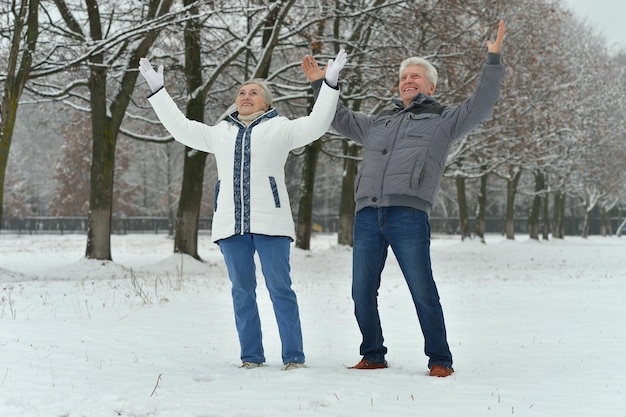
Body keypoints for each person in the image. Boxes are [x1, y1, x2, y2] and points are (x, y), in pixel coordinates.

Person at [301, 20, 506, 377]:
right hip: (368, 213)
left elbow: (481, 104)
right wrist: (323, 83)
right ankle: (373, 353)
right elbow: (338, 117)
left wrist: (493, 60)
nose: (407, 81)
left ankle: (440, 359)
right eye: (403, 77)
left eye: (415, 77)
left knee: (421, 289)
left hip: (408, 214)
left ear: (431, 85)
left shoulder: (443, 120)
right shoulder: (380, 122)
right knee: (361, 291)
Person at [138, 49, 347, 370]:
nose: (246, 96)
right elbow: (181, 128)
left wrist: (328, 84)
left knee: (281, 290)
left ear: (266, 102)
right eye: (241, 92)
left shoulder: (282, 128)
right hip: (230, 226)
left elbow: (319, 123)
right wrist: (159, 92)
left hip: (272, 224)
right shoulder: (220, 132)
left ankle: (293, 356)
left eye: (254, 93)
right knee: (242, 292)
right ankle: (251, 356)